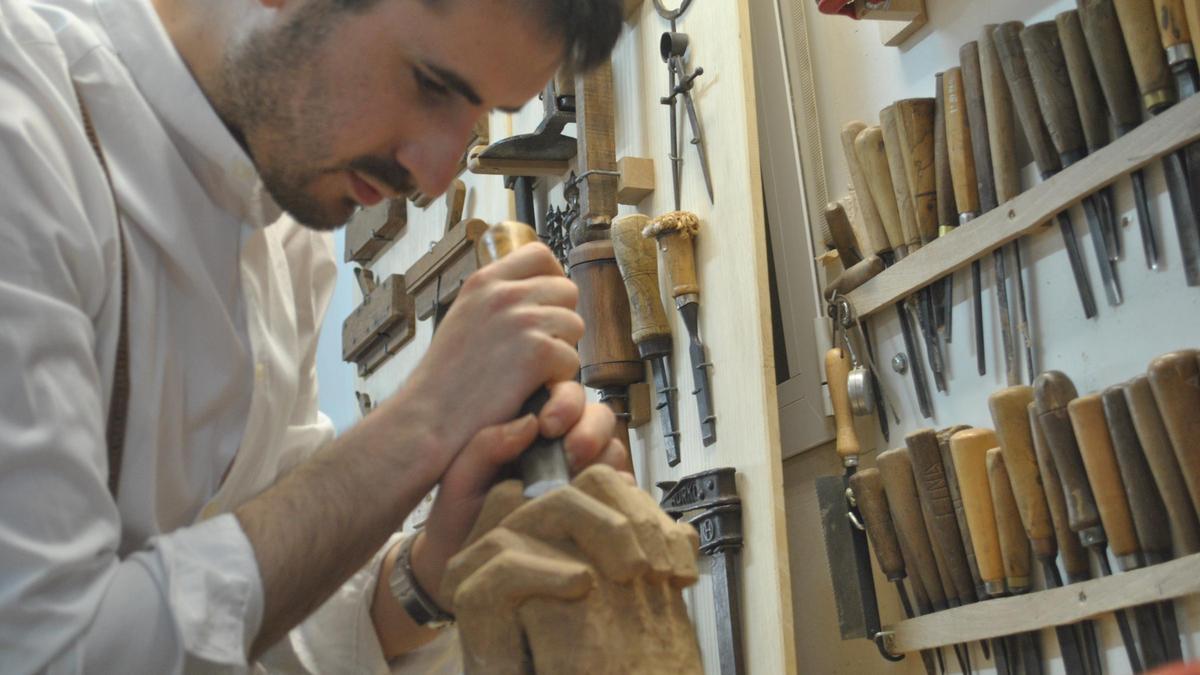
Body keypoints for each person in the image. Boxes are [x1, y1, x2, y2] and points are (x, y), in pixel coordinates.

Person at [0, 0, 638, 672]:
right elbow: (46, 647)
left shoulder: (289, 237)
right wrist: (426, 419)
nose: (434, 175)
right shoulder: (25, 131)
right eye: (432, 84)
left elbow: (260, 610)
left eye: (477, 117)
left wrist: (434, 566)